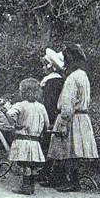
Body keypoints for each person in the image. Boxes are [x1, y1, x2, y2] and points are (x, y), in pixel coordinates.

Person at [48, 43, 99, 192]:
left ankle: (71, 181)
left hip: (72, 118)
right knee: (73, 151)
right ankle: (67, 179)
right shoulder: (83, 75)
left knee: (69, 150)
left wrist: (63, 121)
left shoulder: (72, 78)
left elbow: (67, 102)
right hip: (81, 117)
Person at [0, 78, 50, 195]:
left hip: (22, 138)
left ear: (23, 92)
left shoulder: (20, 105)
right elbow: (46, 123)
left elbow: (10, 114)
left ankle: (25, 186)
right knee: (32, 164)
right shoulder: (41, 107)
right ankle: (31, 186)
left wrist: (16, 124)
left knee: (24, 163)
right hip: (35, 140)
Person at [38, 48, 66, 186]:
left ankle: (45, 173)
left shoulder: (52, 82)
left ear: (51, 67)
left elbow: (49, 103)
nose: (43, 68)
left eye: (45, 65)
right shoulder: (58, 80)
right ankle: (45, 172)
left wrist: (47, 120)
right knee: (51, 145)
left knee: (49, 145)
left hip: (51, 117)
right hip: (56, 116)